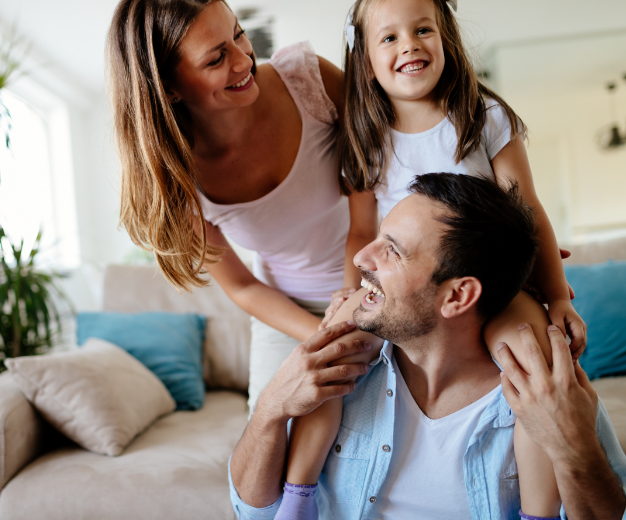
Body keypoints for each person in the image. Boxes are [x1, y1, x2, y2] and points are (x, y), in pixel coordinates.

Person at [281, 1, 586, 518]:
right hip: (406, 286)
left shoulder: (484, 118)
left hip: (495, 287)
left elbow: (528, 211)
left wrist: (556, 295)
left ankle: (539, 511)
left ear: (445, 37)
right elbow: (361, 230)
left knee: (532, 361)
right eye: (390, 38)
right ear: (365, 60)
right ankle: (298, 496)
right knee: (334, 352)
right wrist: (350, 290)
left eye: (423, 30)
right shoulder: (366, 136)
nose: (410, 46)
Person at [229, 173, 626, 520]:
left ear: (458, 296)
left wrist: (573, 448)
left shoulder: (545, 390)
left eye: (393, 251)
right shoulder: (338, 367)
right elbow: (253, 513)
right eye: (379, 236)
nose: (363, 257)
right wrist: (270, 412)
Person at [107, 0, 381, 412]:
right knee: (267, 439)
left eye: (238, 34)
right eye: (217, 58)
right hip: (287, 313)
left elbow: (377, 175)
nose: (245, 60)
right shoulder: (178, 182)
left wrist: (349, 308)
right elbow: (242, 285)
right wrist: (322, 334)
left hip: (373, 282)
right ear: (168, 88)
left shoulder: (309, 79)